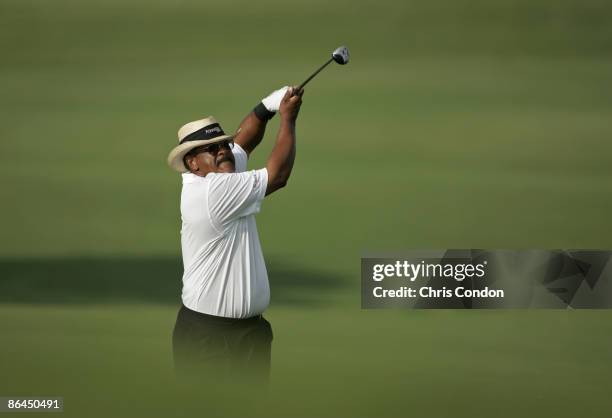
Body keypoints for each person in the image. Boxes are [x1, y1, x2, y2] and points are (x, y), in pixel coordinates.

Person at [166, 86, 304, 382]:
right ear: (192, 163)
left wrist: (268, 105)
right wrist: (288, 118)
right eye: (212, 148)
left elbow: (244, 142)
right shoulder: (212, 192)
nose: (223, 151)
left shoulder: (217, 172)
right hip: (208, 337)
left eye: (223, 145)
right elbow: (277, 176)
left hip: (249, 336)